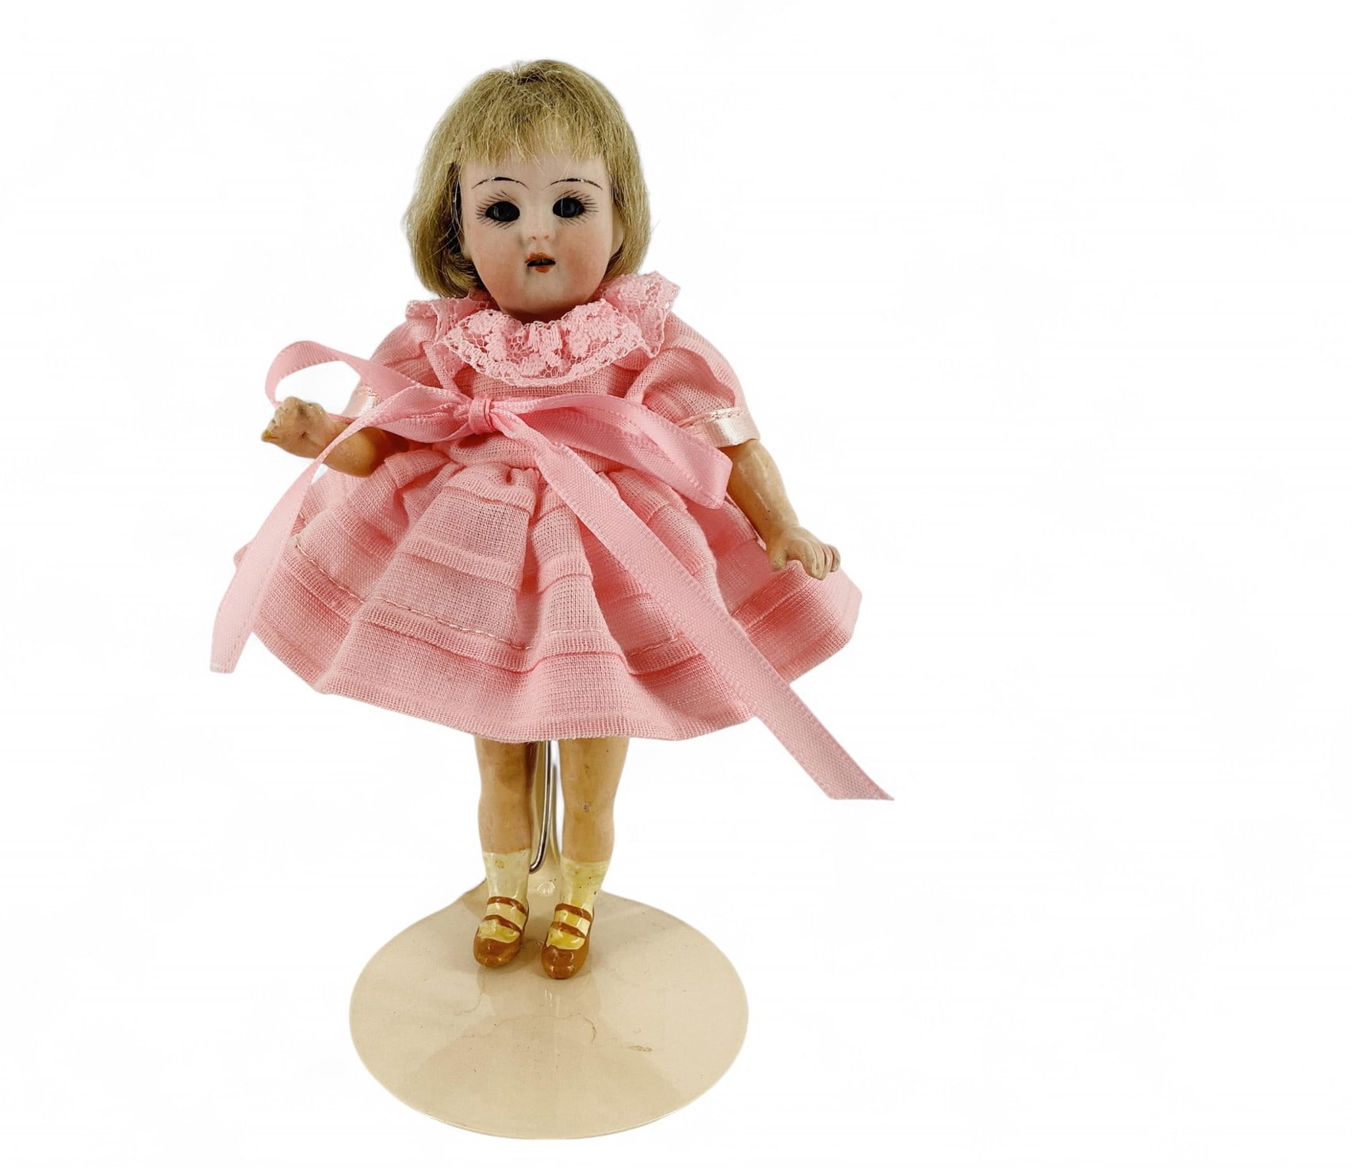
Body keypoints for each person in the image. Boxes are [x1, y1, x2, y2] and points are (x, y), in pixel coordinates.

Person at [212, 60, 888, 981]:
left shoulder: (643, 339)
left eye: (569, 205)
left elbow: (727, 438)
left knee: (594, 761)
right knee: (501, 759)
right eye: (502, 209)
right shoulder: (445, 342)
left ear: (620, 216)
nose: (538, 232)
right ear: (455, 229)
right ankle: (505, 889)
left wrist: (781, 525)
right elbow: (390, 444)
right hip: (480, 569)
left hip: (608, 565)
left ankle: (576, 895)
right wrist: (324, 435)